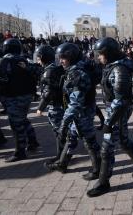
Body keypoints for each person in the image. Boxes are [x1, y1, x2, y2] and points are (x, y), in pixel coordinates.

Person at [87, 37, 133, 197]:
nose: (98, 57)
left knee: (107, 145)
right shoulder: (111, 65)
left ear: (108, 54)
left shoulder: (118, 70)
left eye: (100, 54)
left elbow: (120, 100)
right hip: (114, 109)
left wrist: (109, 121)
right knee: (123, 140)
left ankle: (103, 182)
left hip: (118, 110)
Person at [50, 43, 101, 181]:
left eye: (63, 58)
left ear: (71, 57)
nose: (61, 61)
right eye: (59, 58)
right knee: (71, 137)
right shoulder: (76, 68)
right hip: (80, 111)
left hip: (82, 112)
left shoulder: (77, 73)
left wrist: (63, 124)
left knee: (89, 140)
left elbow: (75, 103)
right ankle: (62, 163)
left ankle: (98, 169)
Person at [0, 38, 39, 162]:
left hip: (12, 97)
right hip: (27, 96)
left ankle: (20, 151)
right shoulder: (25, 59)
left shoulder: (3, 61)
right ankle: (33, 141)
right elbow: (36, 72)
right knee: (23, 119)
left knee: (16, 125)